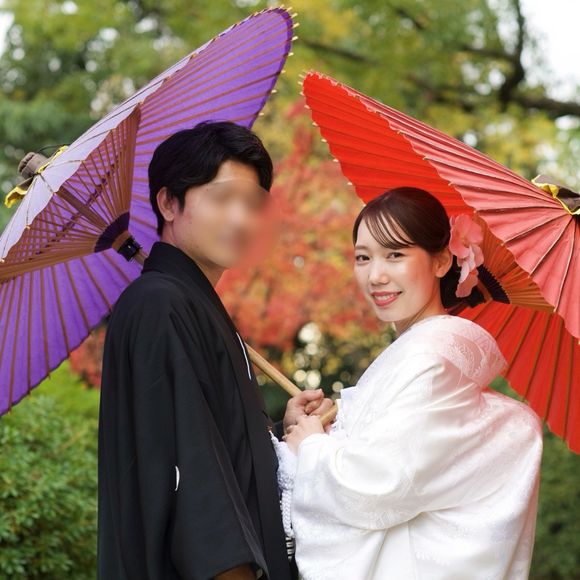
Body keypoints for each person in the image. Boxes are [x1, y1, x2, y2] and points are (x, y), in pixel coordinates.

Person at [98, 121, 332, 580]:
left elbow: (226, 452)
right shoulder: (159, 305)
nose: (241, 219)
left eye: (252, 203)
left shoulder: (193, 305)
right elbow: (194, 482)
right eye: (222, 199)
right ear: (169, 202)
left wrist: (278, 433)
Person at [277, 188, 543, 580]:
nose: (375, 275)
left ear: (441, 261)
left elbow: (376, 488)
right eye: (363, 257)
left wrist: (312, 446)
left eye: (395, 255)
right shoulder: (421, 353)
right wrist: (324, 432)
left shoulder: (429, 360)